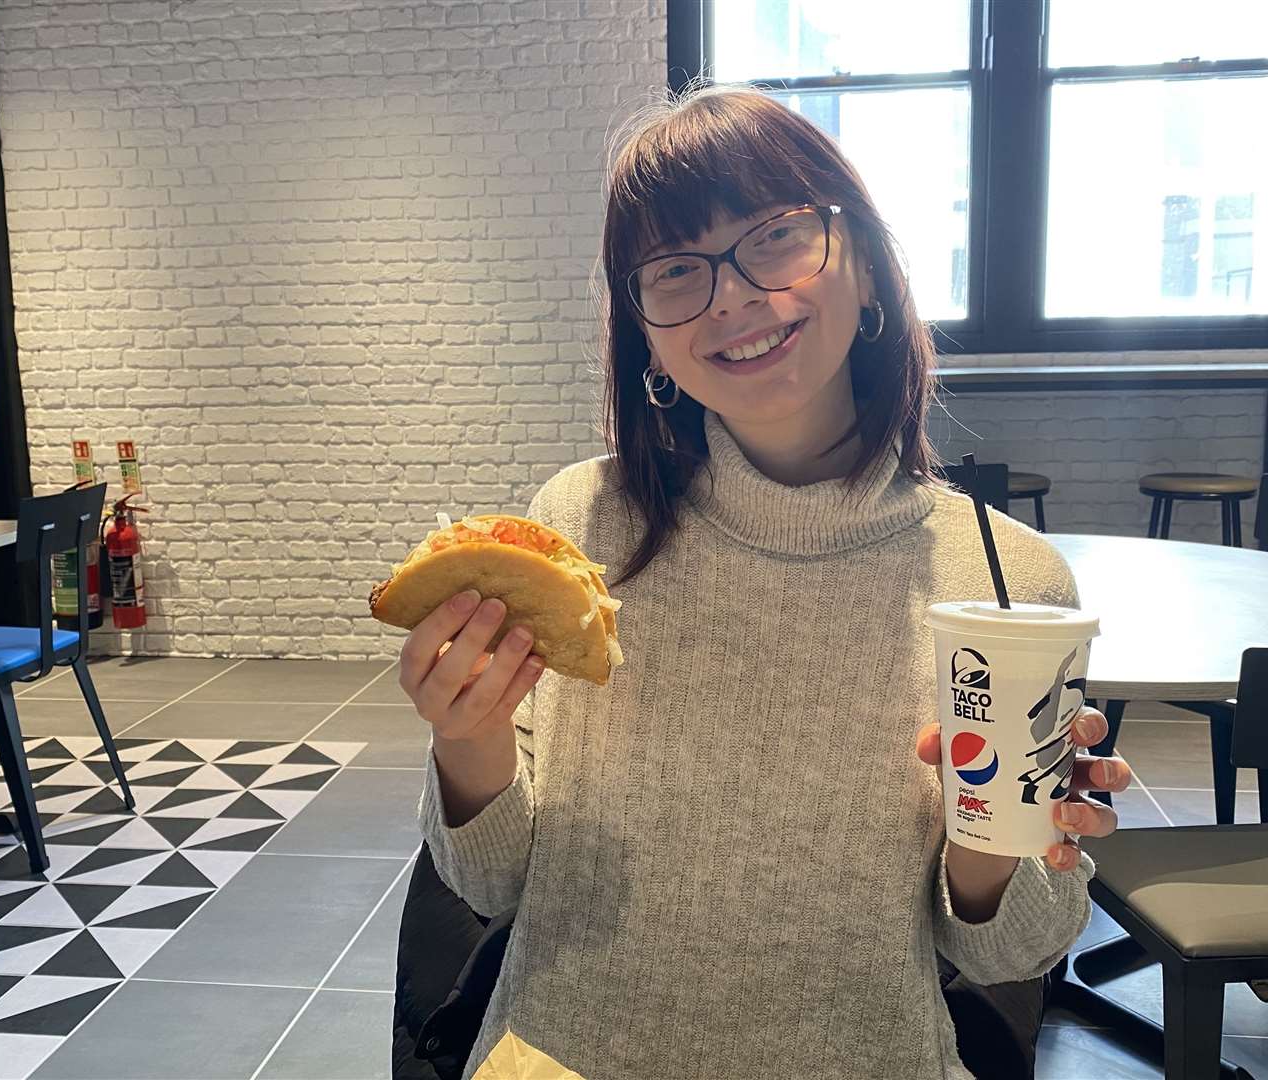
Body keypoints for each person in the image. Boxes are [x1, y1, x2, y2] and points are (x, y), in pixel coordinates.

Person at [399, 84, 1130, 1080]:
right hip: (561, 1054)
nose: (731, 296)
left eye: (777, 237)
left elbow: (1007, 955)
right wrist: (466, 733)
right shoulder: (579, 528)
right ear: (644, 332)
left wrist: (997, 830)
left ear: (866, 267)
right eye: (674, 269)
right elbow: (492, 884)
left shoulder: (1003, 585)